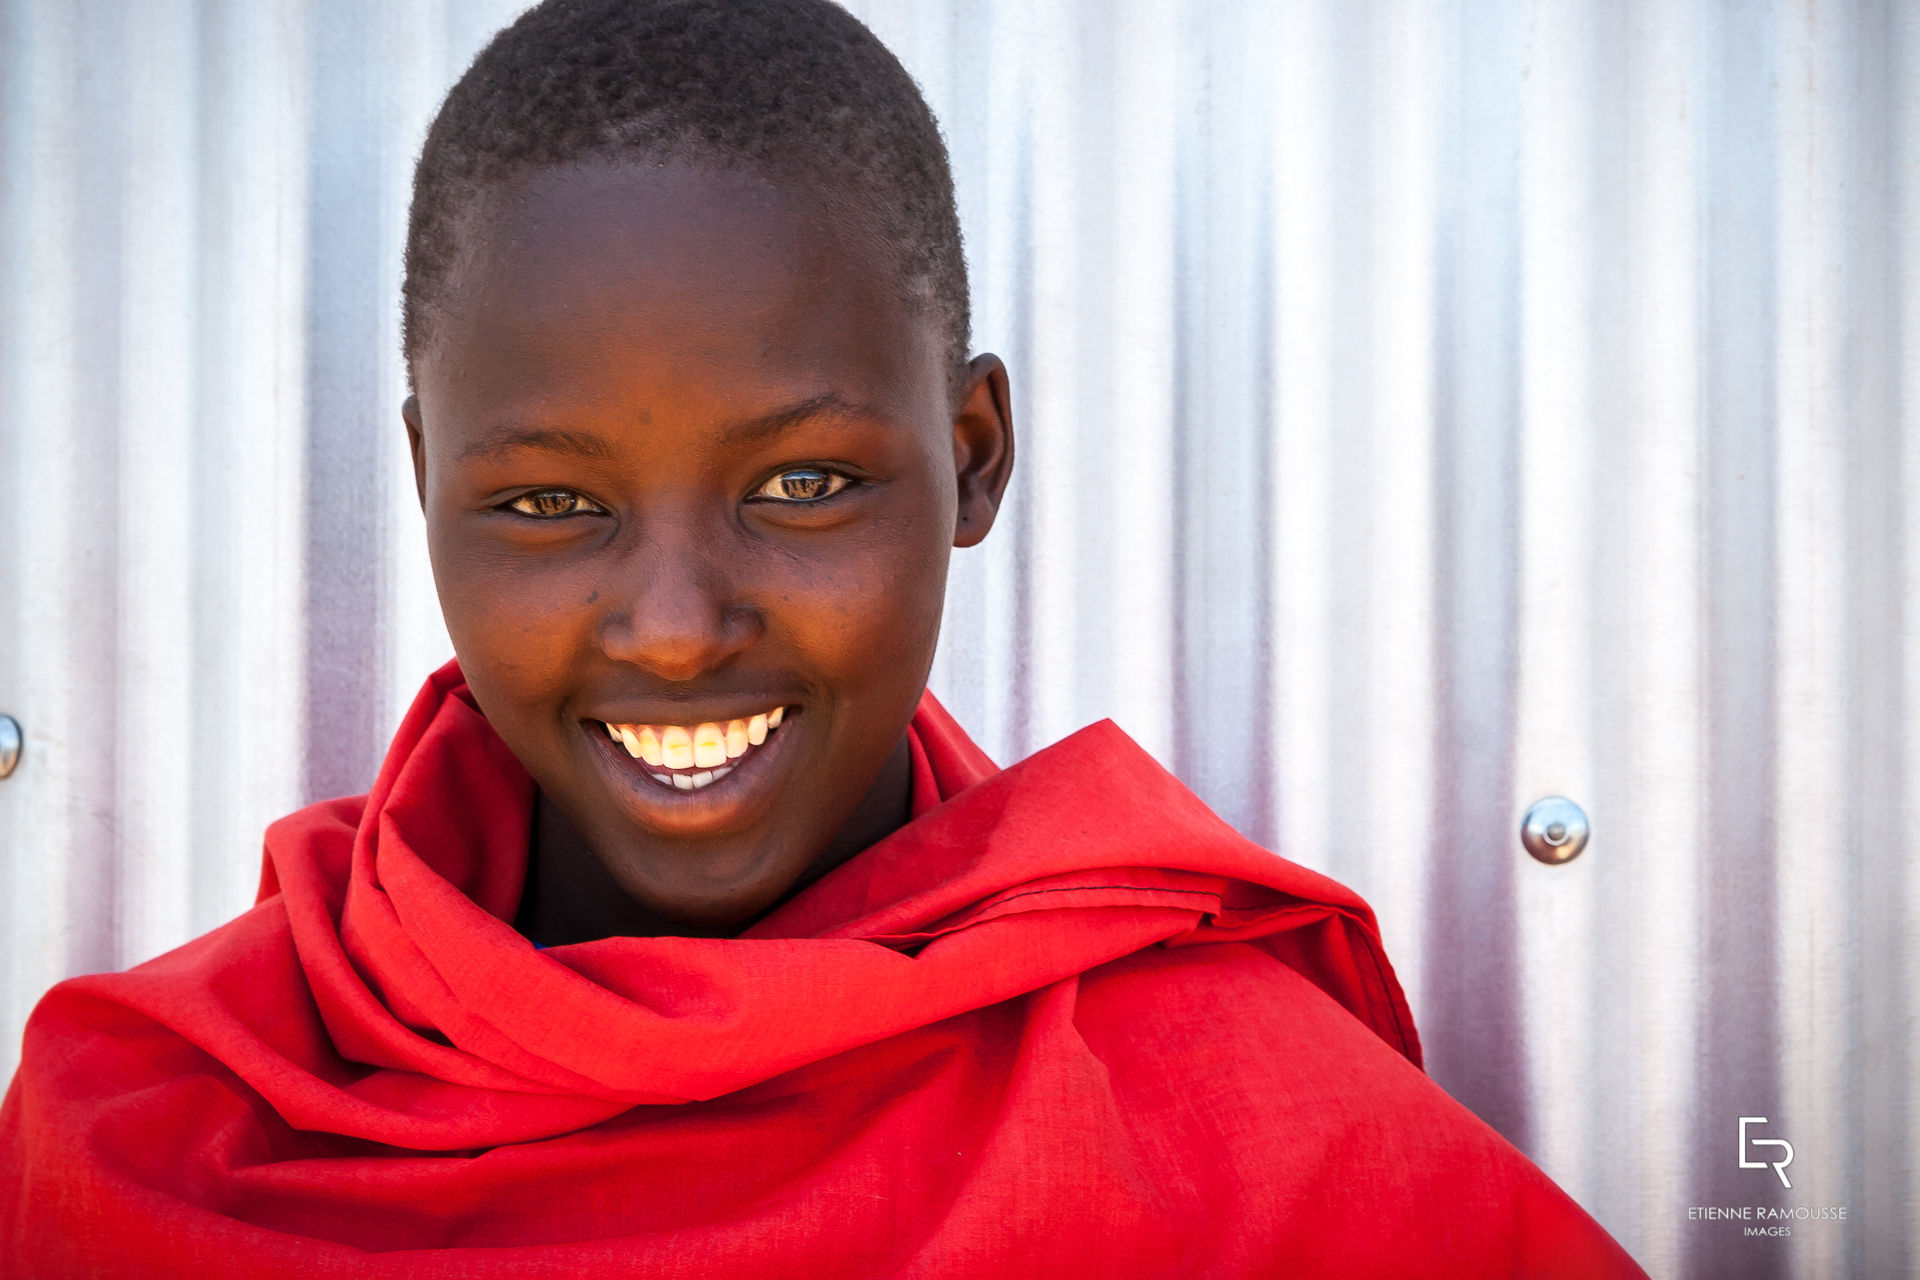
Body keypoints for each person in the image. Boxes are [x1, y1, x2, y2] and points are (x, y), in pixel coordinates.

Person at [0, 1, 1644, 1275]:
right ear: (428, 484)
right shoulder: (156, 1131)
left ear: (975, 459)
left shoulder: (1261, 1145)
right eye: (550, 507)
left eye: (801, 482)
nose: (671, 629)